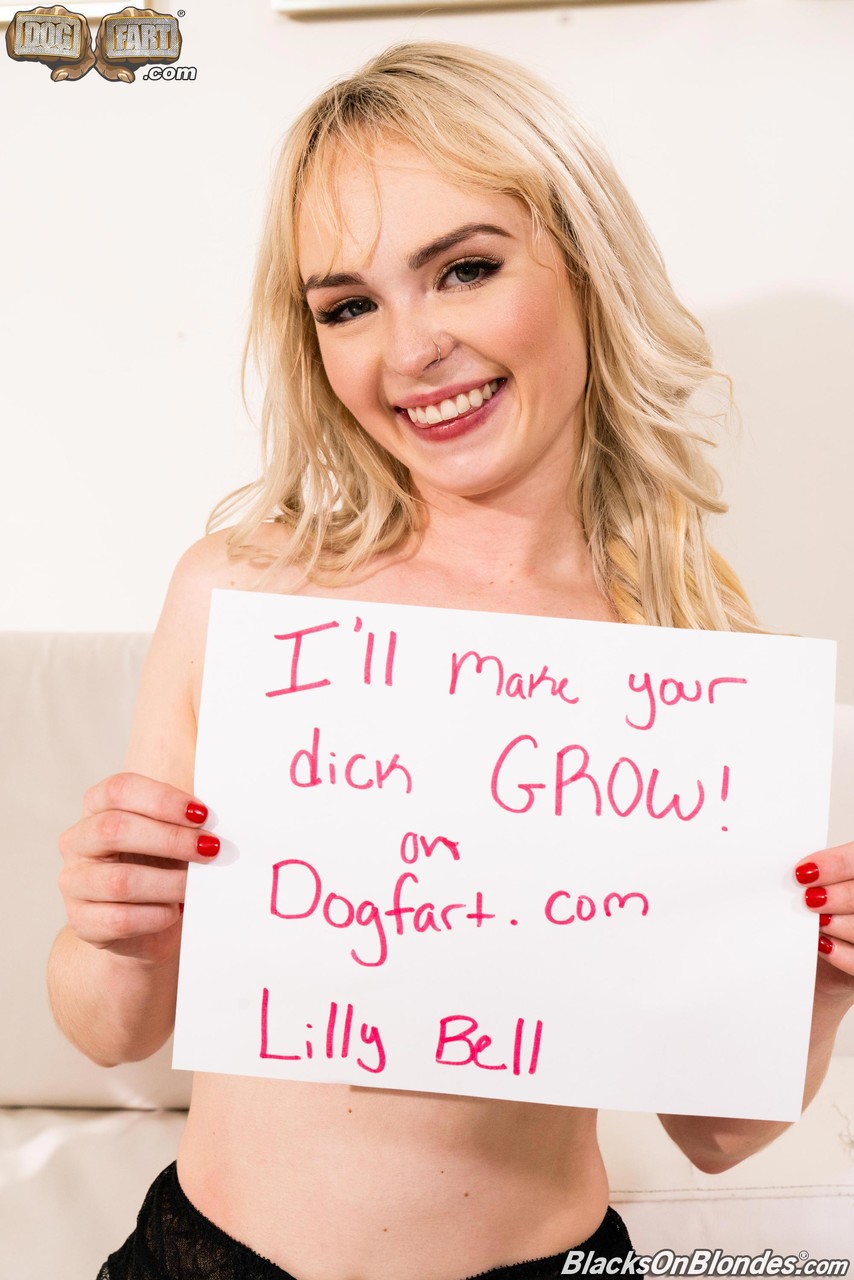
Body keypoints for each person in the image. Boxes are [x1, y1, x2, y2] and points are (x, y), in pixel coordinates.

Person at [48, 41, 854, 1280]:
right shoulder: (244, 594)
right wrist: (114, 931)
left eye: (464, 269)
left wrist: (823, 979)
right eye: (347, 305)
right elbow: (111, 1030)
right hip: (213, 1257)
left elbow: (714, 1129)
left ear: (583, 265)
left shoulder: (683, 671)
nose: (411, 346)